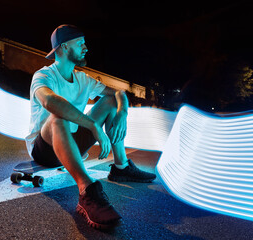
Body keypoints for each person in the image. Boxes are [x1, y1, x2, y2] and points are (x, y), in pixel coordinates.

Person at [25, 24, 156, 229]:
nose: (86, 47)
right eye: (80, 43)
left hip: (73, 140)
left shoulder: (82, 79)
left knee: (111, 102)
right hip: (45, 148)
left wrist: (122, 112)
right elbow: (50, 102)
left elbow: (119, 93)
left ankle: (121, 167)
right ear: (64, 47)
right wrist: (93, 125)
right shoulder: (44, 76)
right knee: (57, 116)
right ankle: (87, 191)